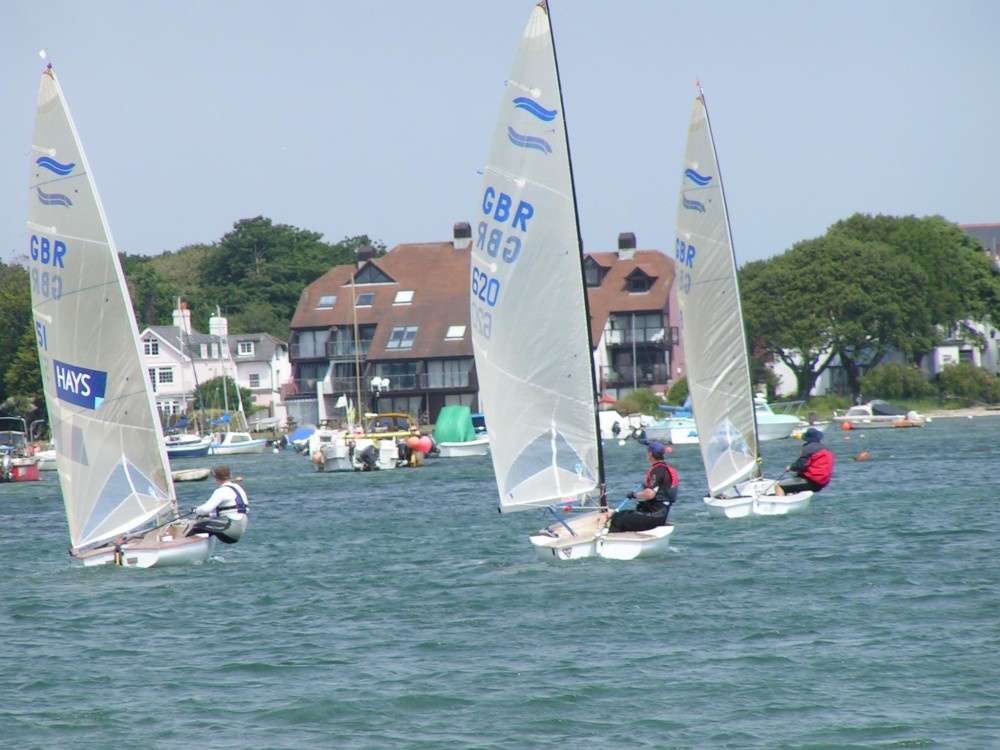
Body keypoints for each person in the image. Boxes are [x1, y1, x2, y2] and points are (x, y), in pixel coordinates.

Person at [608, 440, 678, 533]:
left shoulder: (657, 471)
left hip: (654, 516)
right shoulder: (664, 469)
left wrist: (634, 495)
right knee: (618, 515)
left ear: (650, 454)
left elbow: (650, 494)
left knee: (617, 521)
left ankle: (610, 543)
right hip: (659, 514)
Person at [187, 465, 250, 544]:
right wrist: (209, 515)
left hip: (230, 530)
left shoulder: (221, 491)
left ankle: (184, 550)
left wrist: (195, 510)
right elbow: (232, 511)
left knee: (196, 526)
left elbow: (205, 509)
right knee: (205, 522)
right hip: (240, 527)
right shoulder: (238, 488)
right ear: (230, 476)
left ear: (216, 478)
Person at [775, 427, 834, 495]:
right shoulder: (827, 450)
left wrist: (791, 467)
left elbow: (801, 465)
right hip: (822, 483)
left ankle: (781, 504)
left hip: (811, 481)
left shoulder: (809, 448)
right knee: (791, 487)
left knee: (779, 486)